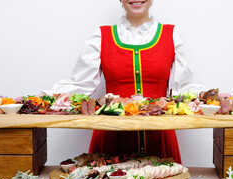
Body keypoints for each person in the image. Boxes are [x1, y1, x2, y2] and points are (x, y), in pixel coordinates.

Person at [46, 0, 206, 164]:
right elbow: (81, 83)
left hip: (160, 134)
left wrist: (211, 97)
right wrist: (46, 97)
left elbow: (182, 87)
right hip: (111, 135)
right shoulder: (101, 36)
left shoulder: (172, 34)